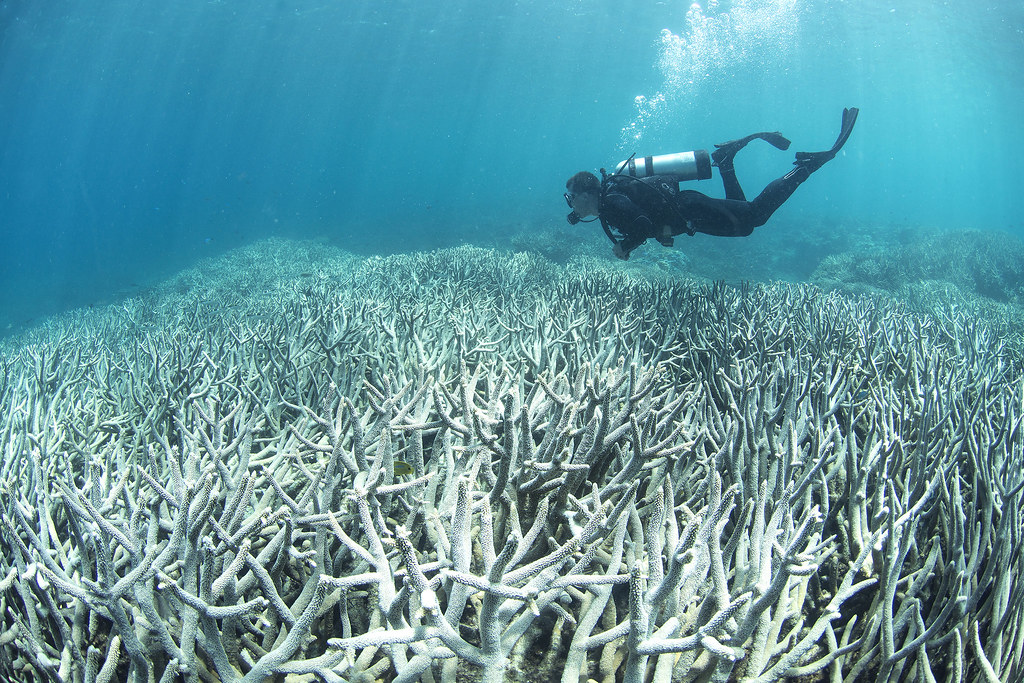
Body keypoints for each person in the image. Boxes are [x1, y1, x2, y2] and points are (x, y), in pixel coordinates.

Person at [564, 108, 859, 260]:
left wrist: (625, 246)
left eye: (572, 198)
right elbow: (643, 221)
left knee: (755, 216)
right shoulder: (606, 202)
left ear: (588, 193)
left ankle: (805, 168)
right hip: (688, 212)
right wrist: (577, 216)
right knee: (744, 224)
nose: (571, 204)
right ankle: (726, 161)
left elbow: (641, 224)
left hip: (690, 209)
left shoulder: (613, 202)